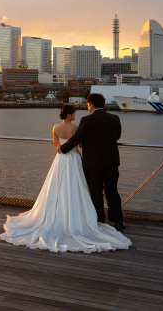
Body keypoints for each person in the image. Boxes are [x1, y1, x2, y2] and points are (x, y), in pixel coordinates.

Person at [0, 104, 131, 253]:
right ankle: (82, 216)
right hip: (74, 158)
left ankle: (56, 214)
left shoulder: (55, 127)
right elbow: (80, 144)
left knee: (56, 186)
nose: (75, 114)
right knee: (77, 186)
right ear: (69, 115)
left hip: (60, 159)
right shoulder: (76, 127)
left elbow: (57, 145)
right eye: (74, 112)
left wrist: (62, 146)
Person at [59, 93, 125, 230]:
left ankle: (99, 221)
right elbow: (117, 136)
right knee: (112, 191)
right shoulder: (115, 118)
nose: (88, 107)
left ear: (92, 105)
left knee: (96, 193)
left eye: (88, 104)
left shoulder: (86, 120)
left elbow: (77, 138)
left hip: (93, 163)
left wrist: (62, 148)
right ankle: (118, 221)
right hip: (111, 161)